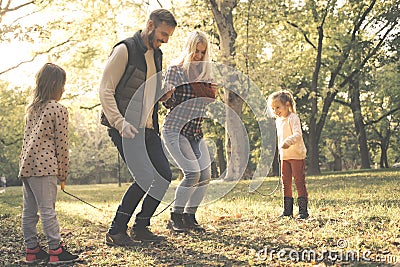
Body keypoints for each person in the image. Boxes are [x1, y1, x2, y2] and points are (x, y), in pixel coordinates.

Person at [99, 9, 177, 246]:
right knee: (144, 176)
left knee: (163, 175)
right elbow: (105, 90)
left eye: (168, 36)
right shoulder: (125, 50)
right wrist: (119, 123)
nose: (165, 39)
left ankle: (141, 227)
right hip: (124, 126)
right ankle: (116, 231)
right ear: (150, 24)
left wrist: (163, 95)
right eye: (163, 33)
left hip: (148, 127)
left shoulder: (158, 55)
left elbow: (150, 91)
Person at [18, 63, 79, 264]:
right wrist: (63, 172)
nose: (64, 88)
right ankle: (55, 250)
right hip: (45, 167)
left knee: (29, 211)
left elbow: (27, 139)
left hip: (27, 167)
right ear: (55, 84)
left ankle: (32, 250)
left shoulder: (32, 109)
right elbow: (61, 144)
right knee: (47, 210)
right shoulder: (58, 108)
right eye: (62, 84)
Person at [162, 31, 217, 233]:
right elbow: (168, 102)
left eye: (203, 53)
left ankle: (189, 217)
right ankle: (175, 217)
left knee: (205, 175)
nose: (199, 56)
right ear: (189, 49)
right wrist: (166, 95)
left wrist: (211, 94)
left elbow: (207, 103)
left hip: (195, 131)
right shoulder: (175, 71)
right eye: (196, 51)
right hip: (175, 130)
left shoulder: (205, 75)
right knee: (192, 173)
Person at [268, 90, 309, 219]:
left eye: (278, 107)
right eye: (273, 108)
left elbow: (297, 134)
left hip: (296, 155)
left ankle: (303, 211)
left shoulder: (293, 118)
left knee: (299, 181)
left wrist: (288, 142)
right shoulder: (278, 121)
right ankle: (287, 211)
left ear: (287, 104)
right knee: (285, 182)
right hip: (285, 157)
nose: (275, 111)